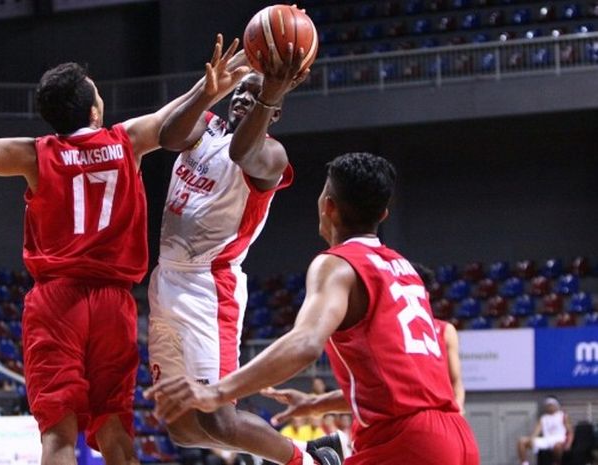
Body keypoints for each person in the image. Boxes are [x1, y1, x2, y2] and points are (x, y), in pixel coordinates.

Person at [0, 35, 246, 465]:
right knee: (116, 431)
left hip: (56, 302)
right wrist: (218, 84)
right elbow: (173, 115)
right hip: (113, 305)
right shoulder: (127, 141)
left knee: (59, 436)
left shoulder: (33, 155)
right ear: (94, 110)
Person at [146, 152, 481, 465]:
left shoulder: (337, 265)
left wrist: (216, 390)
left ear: (328, 206)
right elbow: (404, 384)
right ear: (383, 215)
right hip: (456, 436)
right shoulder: (403, 268)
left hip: (405, 442)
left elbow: (305, 344)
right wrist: (320, 403)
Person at [148, 36, 337, 465]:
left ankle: (309, 463)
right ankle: (306, 451)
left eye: (254, 97)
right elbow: (168, 134)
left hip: (207, 288)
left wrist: (272, 89)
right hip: (166, 280)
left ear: (274, 110)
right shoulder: (207, 126)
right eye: (241, 94)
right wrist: (207, 89)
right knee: (179, 426)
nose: (242, 101)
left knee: (217, 420)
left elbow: (241, 151)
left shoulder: (270, 155)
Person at [412, 262, 466, 414]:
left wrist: (459, 409)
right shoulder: (389, 327)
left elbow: (456, 382)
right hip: (407, 413)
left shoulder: (445, 330)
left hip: (440, 413)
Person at [517, 396, 573, 465]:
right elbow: (536, 431)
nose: (549, 407)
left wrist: (569, 444)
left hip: (559, 439)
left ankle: (556, 463)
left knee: (557, 447)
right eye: (548, 406)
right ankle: (524, 463)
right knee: (522, 441)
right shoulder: (543, 418)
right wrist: (531, 439)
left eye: (551, 405)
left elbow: (570, 432)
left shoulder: (563, 416)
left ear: (556, 405)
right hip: (546, 439)